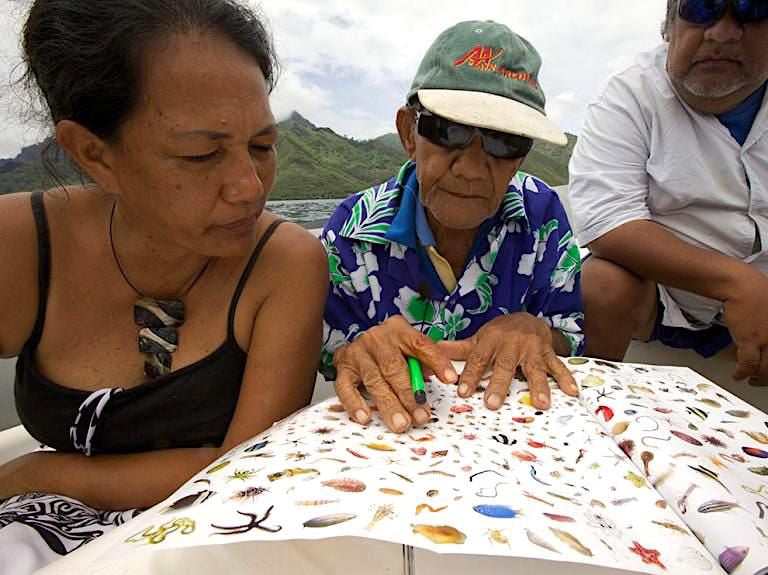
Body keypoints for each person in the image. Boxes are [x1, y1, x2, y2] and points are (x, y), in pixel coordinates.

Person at [0, 0, 327, 570]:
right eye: (201, 155)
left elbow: (245, 469)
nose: (249, 189)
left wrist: (40, 471)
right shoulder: (21, 244)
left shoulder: (285, 264)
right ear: (94, 155)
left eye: (263, 146)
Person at [320, 20, 584, 434]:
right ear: (409, 133)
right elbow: (329, 351)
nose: (472, 169)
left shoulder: (543, 213)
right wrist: (357, 350)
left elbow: (571, 332)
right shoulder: (349, 231)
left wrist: (538, 331)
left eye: (506, 141)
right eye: (447, 130)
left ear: (522, 155)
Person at [568, 0, 768, 385]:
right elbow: (607, 220)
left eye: (750, 9)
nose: (723, 33)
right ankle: (590, 409)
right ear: (669, 25)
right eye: (702, 8)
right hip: (666, 303)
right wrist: (738, 283)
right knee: (604, 282)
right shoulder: (631, 93)